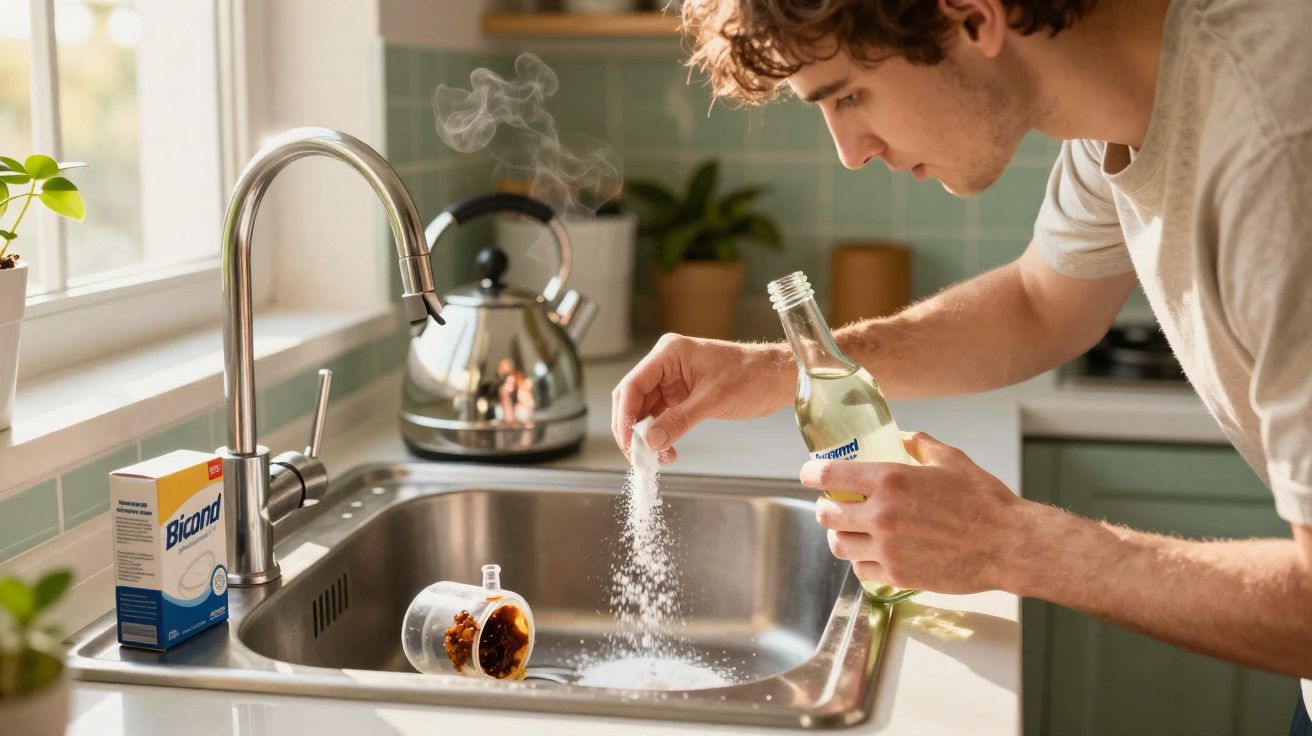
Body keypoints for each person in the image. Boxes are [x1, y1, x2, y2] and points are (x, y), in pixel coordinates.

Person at [609, 0, 1312, 730]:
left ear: (972, 18)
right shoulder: (1124, 102)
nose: (849, 150)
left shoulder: (1278, 151)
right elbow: (1039, 305)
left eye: (848, 94)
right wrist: (779, 368)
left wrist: (1010, 543)